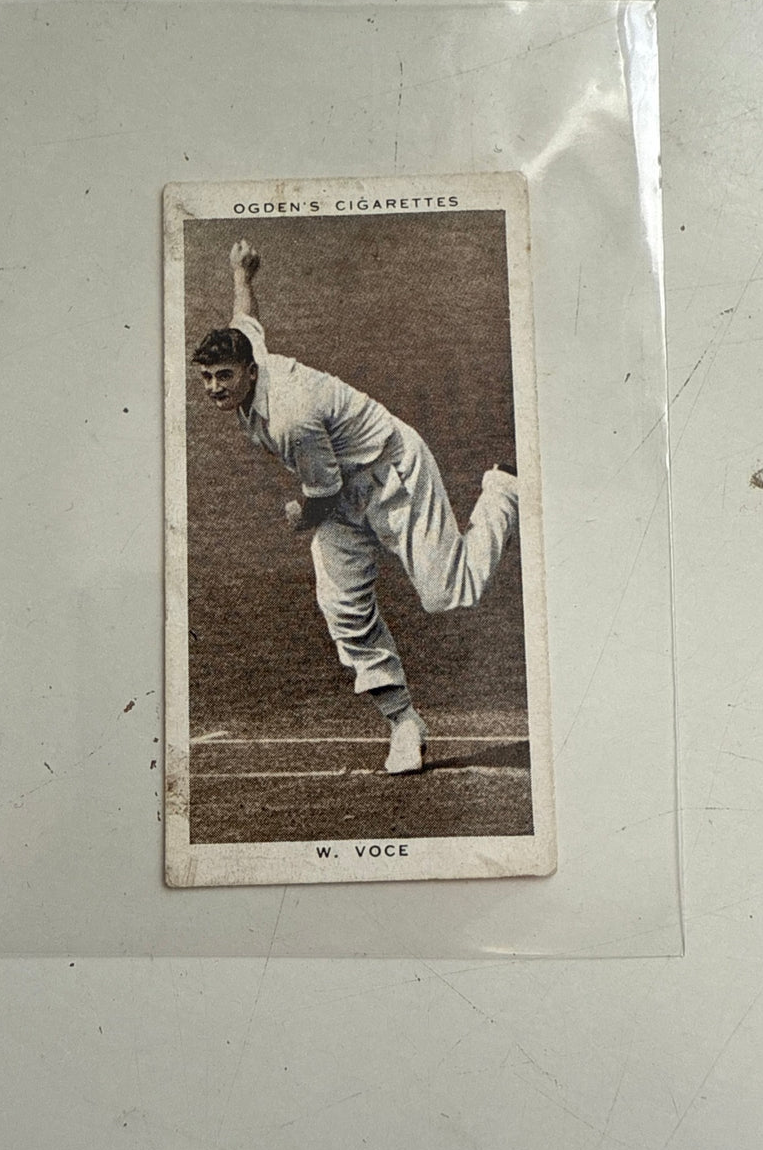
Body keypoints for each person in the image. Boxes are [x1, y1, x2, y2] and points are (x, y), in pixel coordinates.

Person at [193, 239, 520, 775]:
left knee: (449, 592)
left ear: (249, 371)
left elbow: (321, 495)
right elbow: (245, 320)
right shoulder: (249, 355)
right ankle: (404, 721)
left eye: (223, 376)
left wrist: (300, 515)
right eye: (206, 378)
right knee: (343, 609)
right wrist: (241, 274)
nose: (214, 388)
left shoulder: (291, 416)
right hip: (341, 493)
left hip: (392, 475)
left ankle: (503, 490)